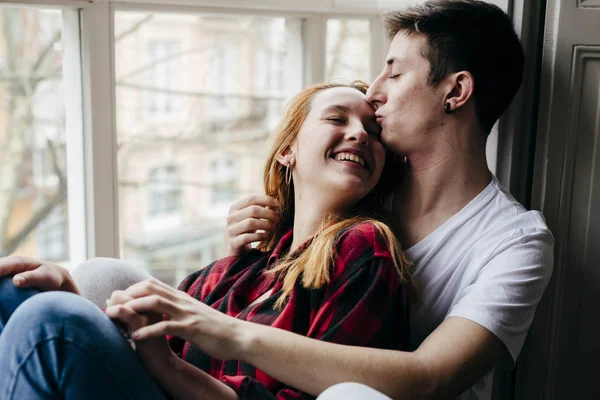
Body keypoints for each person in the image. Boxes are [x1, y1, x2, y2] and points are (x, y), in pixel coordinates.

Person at [120, 1, 554, 399]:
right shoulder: (360, 186)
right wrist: (242, 266)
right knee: (100, 284)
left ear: (455, 92)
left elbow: (430, 377)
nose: (375, 91)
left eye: (395, 73)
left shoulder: (515, 243)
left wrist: (228, 331)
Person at [0, 81, 412, 400]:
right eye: (337, 119)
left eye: (373, 130)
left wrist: (164, 363)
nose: (360, 134)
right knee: (17, 292)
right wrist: (80, 303)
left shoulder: (364, 247)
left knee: (48, 320)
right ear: (288, 150)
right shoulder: (245, 262)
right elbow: (143, 344)